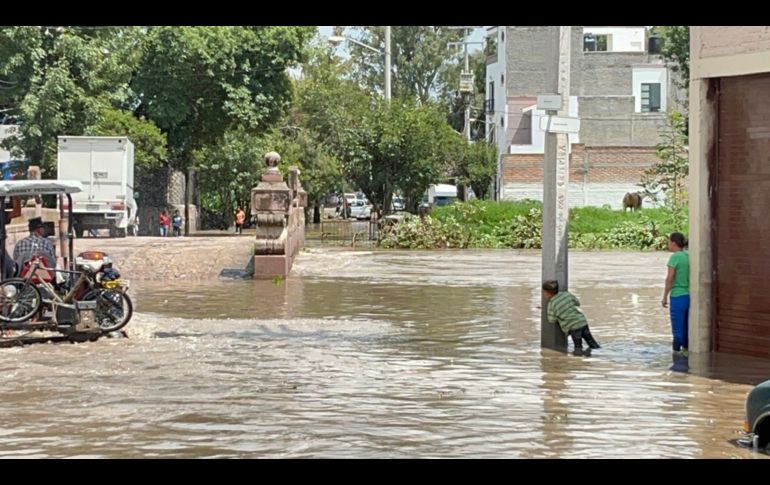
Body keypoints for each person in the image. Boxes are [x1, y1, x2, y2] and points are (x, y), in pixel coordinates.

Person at [542, 280, 601, 351]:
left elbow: (552, 320)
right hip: (582, 322)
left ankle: (578, 357)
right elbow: (578, 303)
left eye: (544, 292)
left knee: (578, 347)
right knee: (592, 343)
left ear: (548, 293)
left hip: (573, 327)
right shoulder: (567, 294)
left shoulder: (552, 304)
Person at [662, 232, 689, 354]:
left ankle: (676, 355)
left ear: (673, 243)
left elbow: (670, 279)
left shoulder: (675, 257)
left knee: (677, 330)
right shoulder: (688, 256)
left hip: (677, 296)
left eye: (668, 241)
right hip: (688, 296)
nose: (668, 244)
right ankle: (686, 352)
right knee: (686, 327)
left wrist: (664, 297)